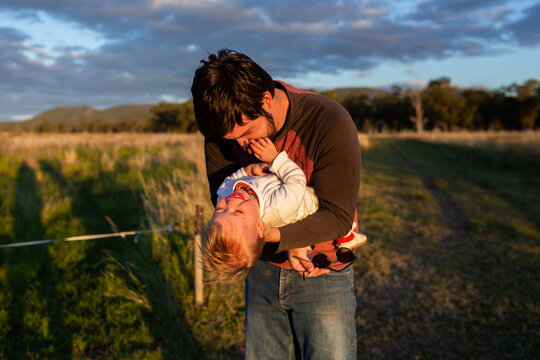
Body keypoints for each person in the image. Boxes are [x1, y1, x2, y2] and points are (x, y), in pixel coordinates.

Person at [191, 49, 362, 360]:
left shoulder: (328, 120)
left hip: (320, 271)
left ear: (265, 100)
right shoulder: (224, 127)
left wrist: (279, 236)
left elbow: (337, 216)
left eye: (245, 134)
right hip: (262, 270)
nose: (239, 145)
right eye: (230, 140)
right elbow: (222, 195)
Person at [202, 137, 366, 283]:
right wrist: (275, 158)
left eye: (220, 210)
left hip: (282, 193)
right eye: (239, 212)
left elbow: (230, 180)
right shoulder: (279, 206)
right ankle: (346, 234)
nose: (230, 202)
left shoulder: (224, 193)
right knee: (336, 193)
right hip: (307, 201)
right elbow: (296, 179)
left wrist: (248, 170)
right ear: (260, 226)